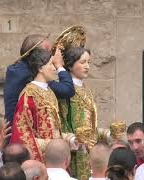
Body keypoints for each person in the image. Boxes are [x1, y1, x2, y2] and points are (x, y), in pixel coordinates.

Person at [10, 48, 77, 162]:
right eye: (50, 64)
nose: (54, 68)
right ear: (40, 68)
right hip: (41, 159)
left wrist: (70, 139)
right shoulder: (29, 96)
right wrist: (53, 145)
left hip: (55, 157)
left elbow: (54, 130)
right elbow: (23, 136)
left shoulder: (49, 91)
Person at [4, 34, 75, 124]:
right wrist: (59, 65)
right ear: (37, 55)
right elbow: (67, 90)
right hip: (22, 134)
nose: (52, 57)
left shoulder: (19, 69)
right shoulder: (29, 74)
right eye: (50, 53)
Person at [58, 46, 96, 178]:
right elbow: (61, 123)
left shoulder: (87, 90)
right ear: (70, 65)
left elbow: (91, 123)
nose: (87, 66)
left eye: (88, 62)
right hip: (74, 151)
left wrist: (106, 134)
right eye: (82, 62)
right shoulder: (66, 91)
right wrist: (73, 139)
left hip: (90, 150)